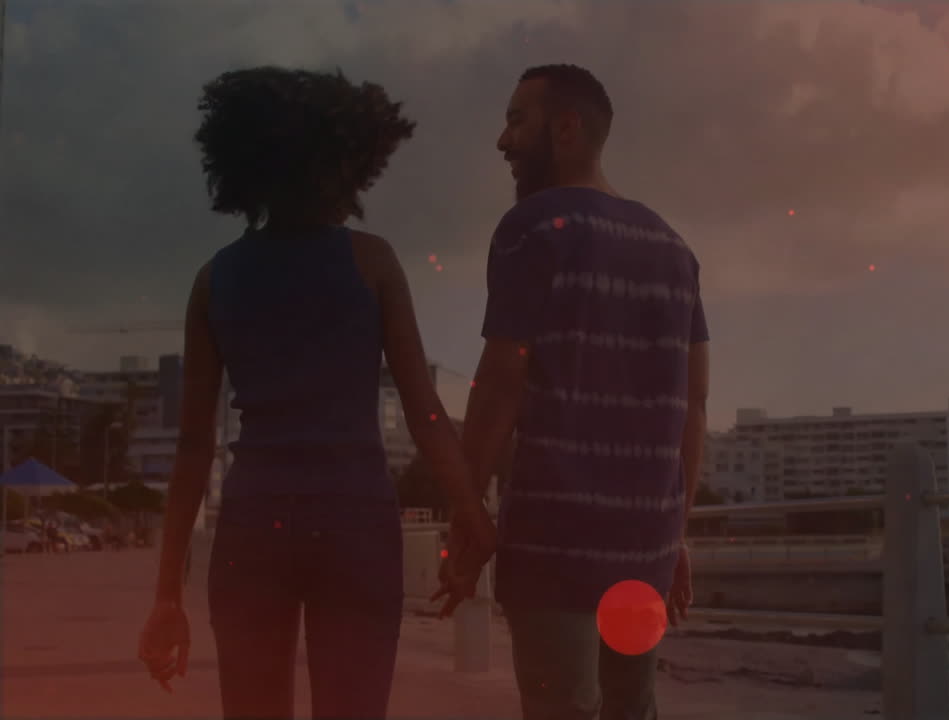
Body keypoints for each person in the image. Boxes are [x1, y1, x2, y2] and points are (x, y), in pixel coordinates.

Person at [137, 66, 496, 720]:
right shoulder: (373, 262)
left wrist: (167, 595)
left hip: (252, 526)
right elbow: (426, 413)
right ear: (346, 165)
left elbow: (193, 446)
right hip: (355, 522)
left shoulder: (213, 281)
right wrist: (469, 508)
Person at [437, 64, 711, 720]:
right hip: (642, 545)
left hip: (554, 540)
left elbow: (502, 381)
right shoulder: (674, 249)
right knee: (630, 707)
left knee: (563, 708)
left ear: (566, 128)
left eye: (515, 121)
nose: (502, 142)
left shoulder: (533, 227)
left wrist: (466, 510)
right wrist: (674, 532)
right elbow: (692, 407)